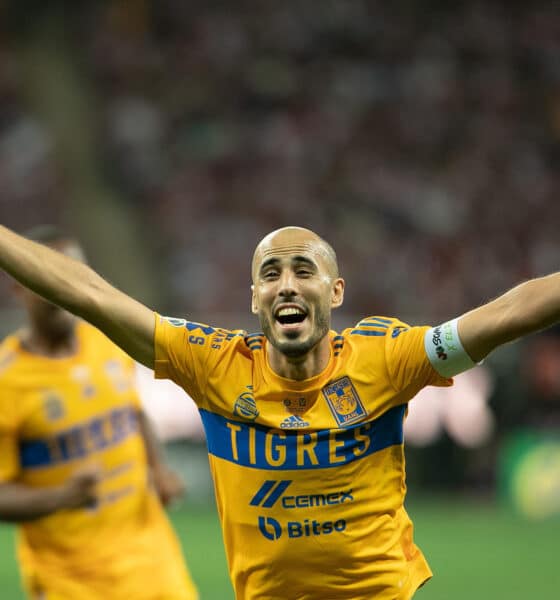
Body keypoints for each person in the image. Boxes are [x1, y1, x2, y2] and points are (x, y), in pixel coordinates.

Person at [0, 223, 556, 600]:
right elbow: (92, 295)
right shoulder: (212, 365)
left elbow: (510, 311)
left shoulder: (390, 359)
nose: (286, 284)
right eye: (270, 274)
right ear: (254, 299)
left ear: (335, 293)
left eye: (303, 270)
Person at [0, 226, 199, 600]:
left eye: (73, 273)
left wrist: (158, 469)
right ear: (20, 286)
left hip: (156, 568)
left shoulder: (108, 340)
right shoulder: (6, 381)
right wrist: (60, 497)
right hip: (72, 584)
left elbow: (132, 411)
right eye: (50, 278)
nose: (65, 289)